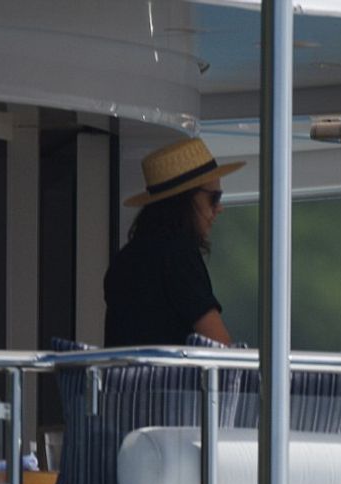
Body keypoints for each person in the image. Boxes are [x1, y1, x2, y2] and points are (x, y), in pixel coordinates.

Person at [104, 137, 244, 347]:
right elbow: (219, 345)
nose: (219, 208)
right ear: (186, 199)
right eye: (214, 198)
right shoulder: (178, 255)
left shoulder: (123, 260)